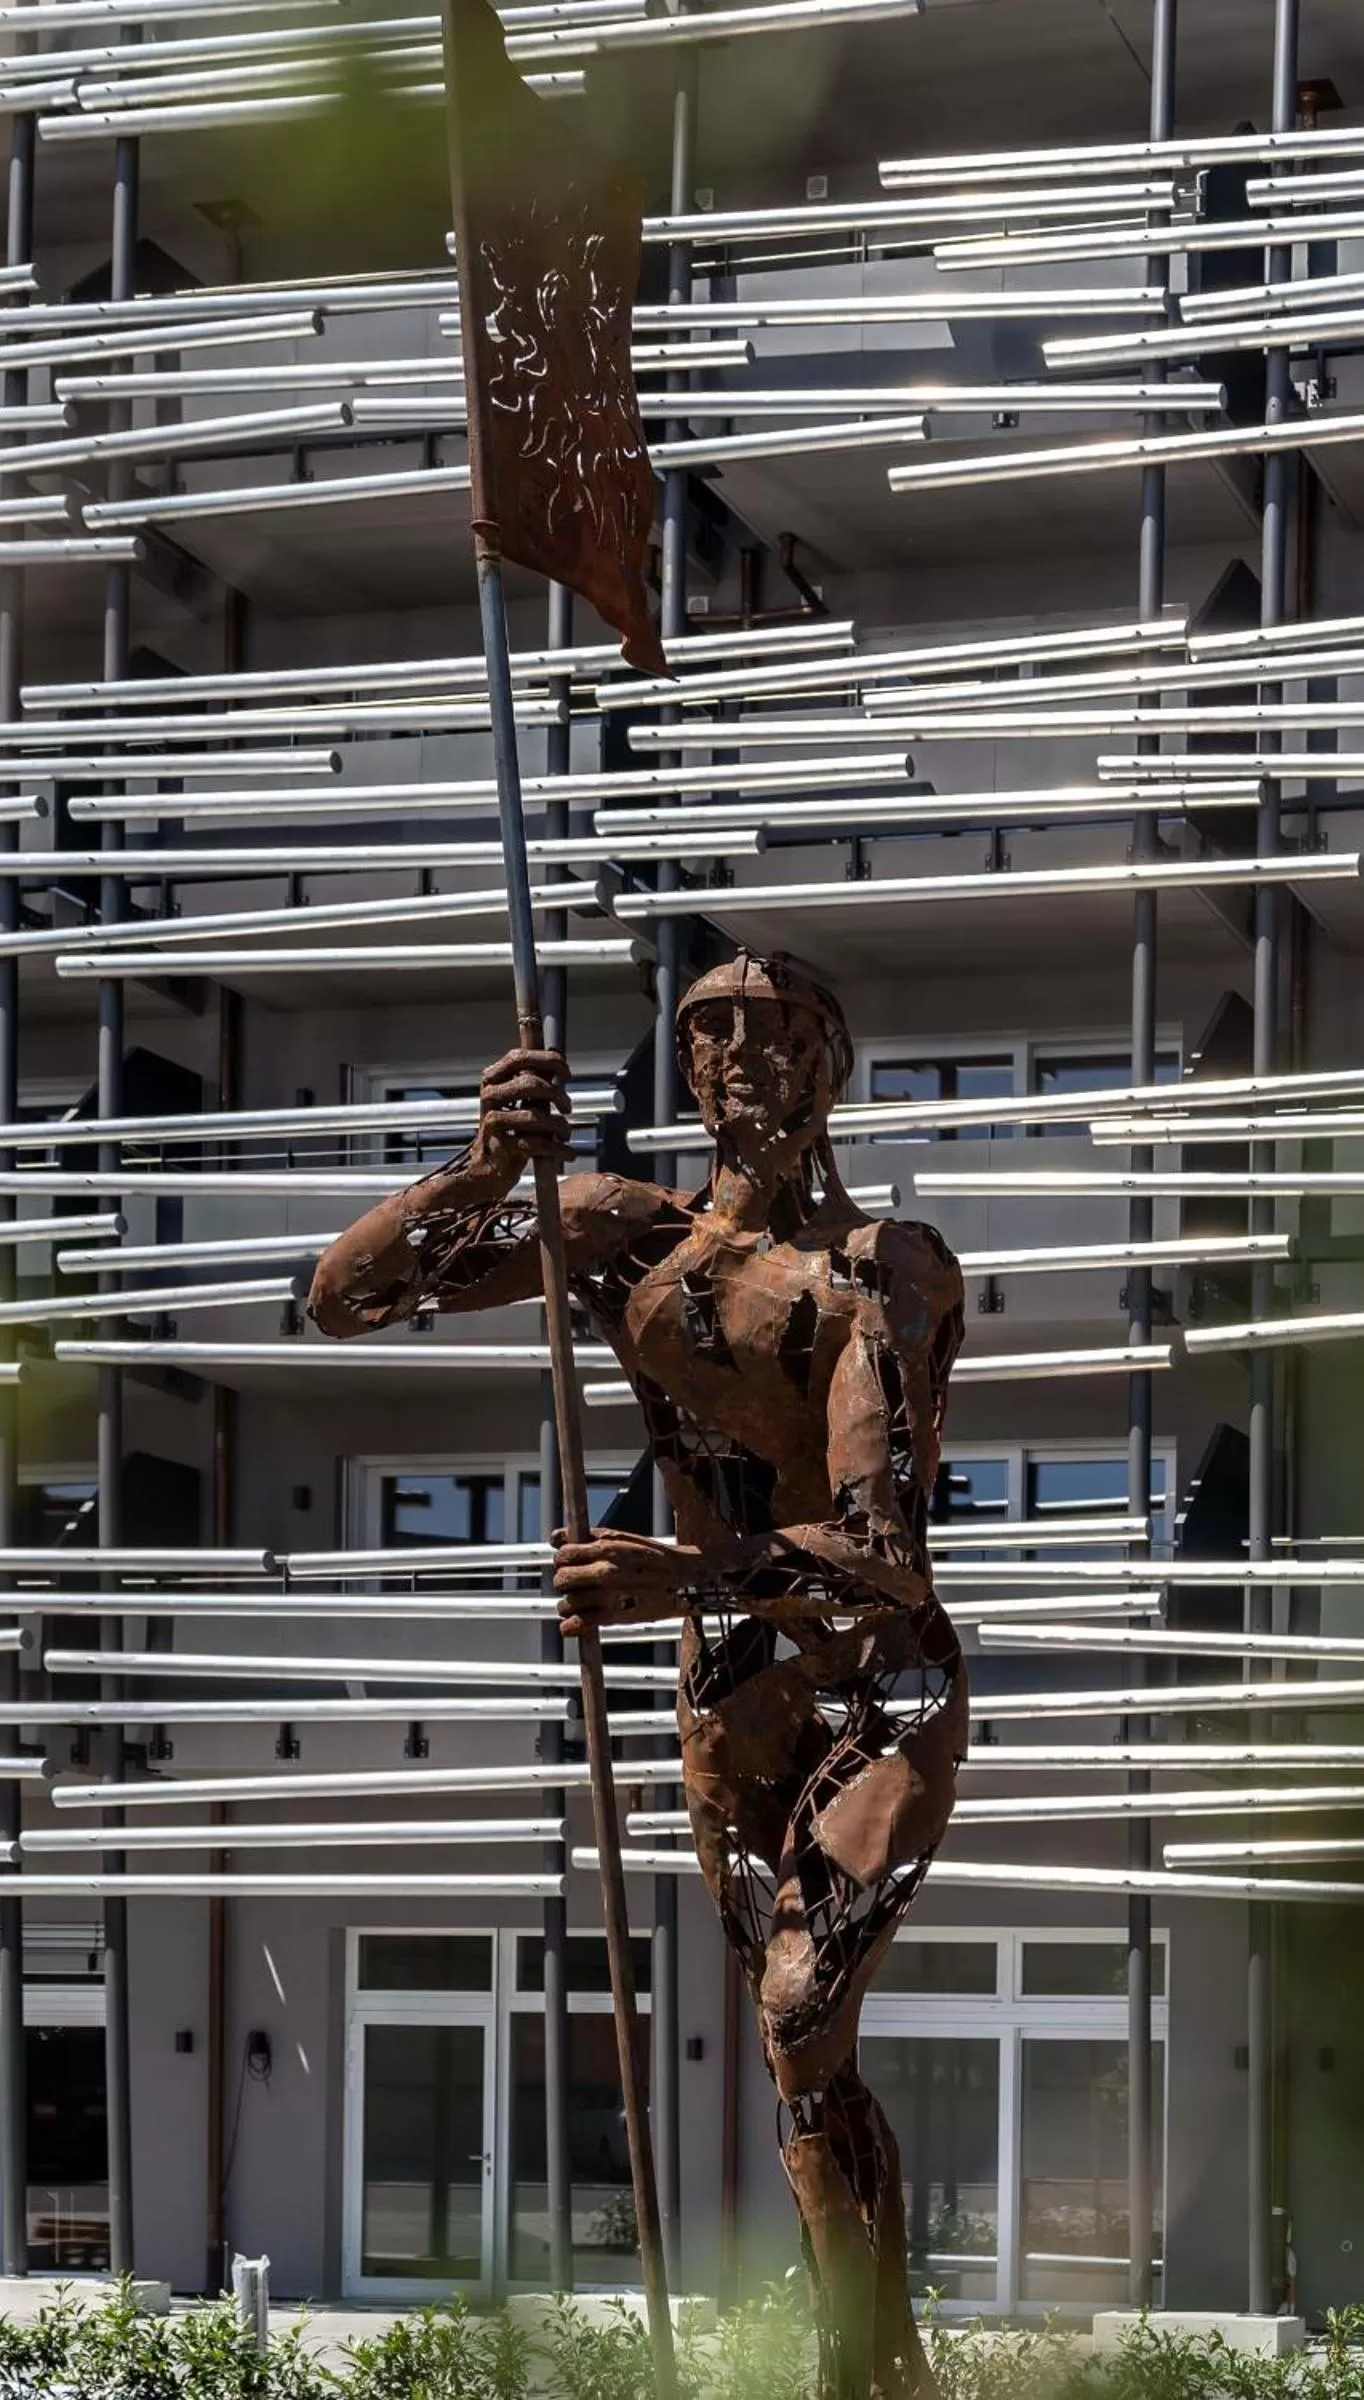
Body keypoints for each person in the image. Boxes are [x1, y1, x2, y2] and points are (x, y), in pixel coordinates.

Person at [309, 949, 966, 2400]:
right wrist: (485, 1168)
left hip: (878, 1690)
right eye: (709, 1030)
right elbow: (341, 1302)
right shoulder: (620, 1234)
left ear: (834, 1055)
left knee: (801, 2013)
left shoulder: (882, 1273)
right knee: (805, 2061)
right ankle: (879, 2369)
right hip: (732, 1691)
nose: (741, 1051)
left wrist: (689, 1573)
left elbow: (888, 1556)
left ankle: (863, 2366)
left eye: (777, 1024)